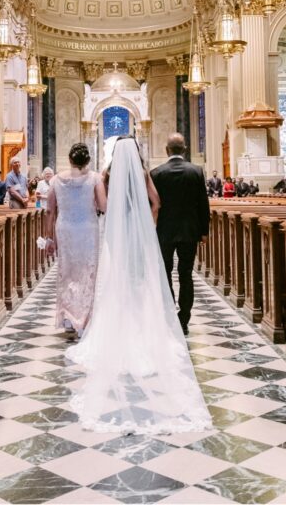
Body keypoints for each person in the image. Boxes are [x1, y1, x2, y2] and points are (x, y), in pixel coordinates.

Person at [67, 135, 211, 435]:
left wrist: (117, 222)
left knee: (118, 282)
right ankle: (148, 331)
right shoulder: (146, 173)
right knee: (142, 281)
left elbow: (105, 207)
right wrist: (149, 224)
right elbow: (156, 202)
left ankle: (119, 330)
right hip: (140, 235)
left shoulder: (107, 174)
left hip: (117, 237)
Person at [150, 133, 211, 336]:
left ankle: (169, 313)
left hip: (164, 232)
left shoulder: (156, 173)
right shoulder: (196, 171)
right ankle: (184, 318)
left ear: (167, 150)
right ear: (184, 150)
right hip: (189, 231)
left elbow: (152, 205)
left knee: (165, 273)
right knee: (186, 275)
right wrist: (204, 231)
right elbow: (203, 203)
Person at [46, 144, 106, 336]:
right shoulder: (95, 178)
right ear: (87, 161)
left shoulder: (55, 180)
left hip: (65, 229)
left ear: (70, 159)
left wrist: (49, 238)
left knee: (68, 272)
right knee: (87, 272)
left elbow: (50, 211)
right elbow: (104, 207)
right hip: (88, 228)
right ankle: (85, 318)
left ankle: (69, 318)